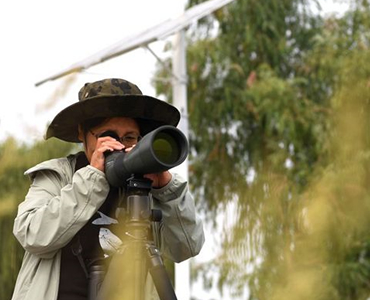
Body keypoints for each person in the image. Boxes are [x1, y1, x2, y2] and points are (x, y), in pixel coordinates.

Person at [11, 78, 205, 300]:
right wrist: (93, 178)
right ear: (82, 134)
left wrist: (167, 188)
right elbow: (32, 235)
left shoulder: (145, 187)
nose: (118, 145)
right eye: (108, 136)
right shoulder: (57, 176)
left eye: (130, 137)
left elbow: (186, 248)